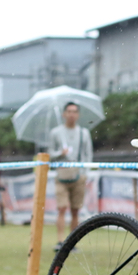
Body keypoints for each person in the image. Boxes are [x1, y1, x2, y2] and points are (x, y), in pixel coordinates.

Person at [49, 102, 93, 250]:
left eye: (74, 111)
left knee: (75, 209)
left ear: (78, 114)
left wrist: (85, 173)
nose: (71, 114)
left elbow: (88, 155)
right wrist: (60, 153)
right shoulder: (56, 133)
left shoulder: (84, 133)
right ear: (64, 114)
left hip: (78, 174)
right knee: (61, 207)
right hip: (61, 173)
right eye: (68, 111)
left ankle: (71, 241)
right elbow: (49, 155)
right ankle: (60, 240)